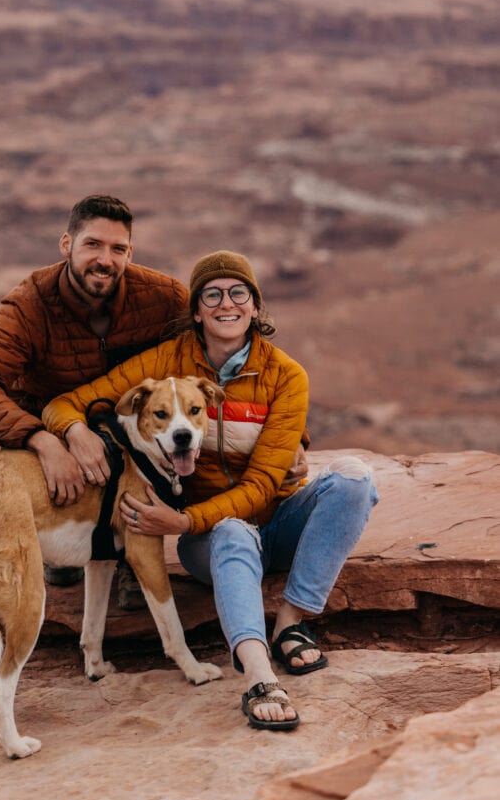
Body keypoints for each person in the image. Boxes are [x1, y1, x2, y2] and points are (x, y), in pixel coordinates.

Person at [42, 250, 379, 729]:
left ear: (256, 306)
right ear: (196, 308)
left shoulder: (286, 375)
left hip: (273, 524)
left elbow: (264, 483)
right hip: (213, 542)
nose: (227, 304)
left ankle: (291, 624)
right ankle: (259, 676)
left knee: (354, 477)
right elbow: (64, 405)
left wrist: (183, 521)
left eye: (239, 293)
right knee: (231, 531)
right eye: (213, 294)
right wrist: (72, 434)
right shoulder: (166, 362)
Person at [0, 194, 189, 607]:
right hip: (50, 432)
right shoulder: (30, 303)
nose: (105, 259)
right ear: (67, 245)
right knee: (59, 569)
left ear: (130, 252)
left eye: (117, 249)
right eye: (92, 245)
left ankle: (133, 555)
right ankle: (59, 540)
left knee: (165, 438)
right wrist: (43, 440)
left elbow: (228, 348)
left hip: (125, 435)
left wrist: (294, 434)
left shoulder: (162, 296)